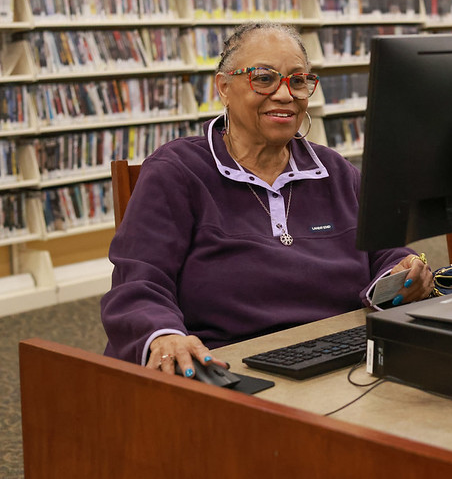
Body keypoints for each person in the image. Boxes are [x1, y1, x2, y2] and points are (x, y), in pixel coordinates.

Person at [101, 22, 434, 379]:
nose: (285, 94)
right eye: (264, 78)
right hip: (231, 368)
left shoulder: (335, 171)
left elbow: (383, 251)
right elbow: (139, 283)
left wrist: (402, 270)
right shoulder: (177, 171)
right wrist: (165, 336)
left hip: (341, 360)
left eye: (298, 80)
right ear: (224, 87)